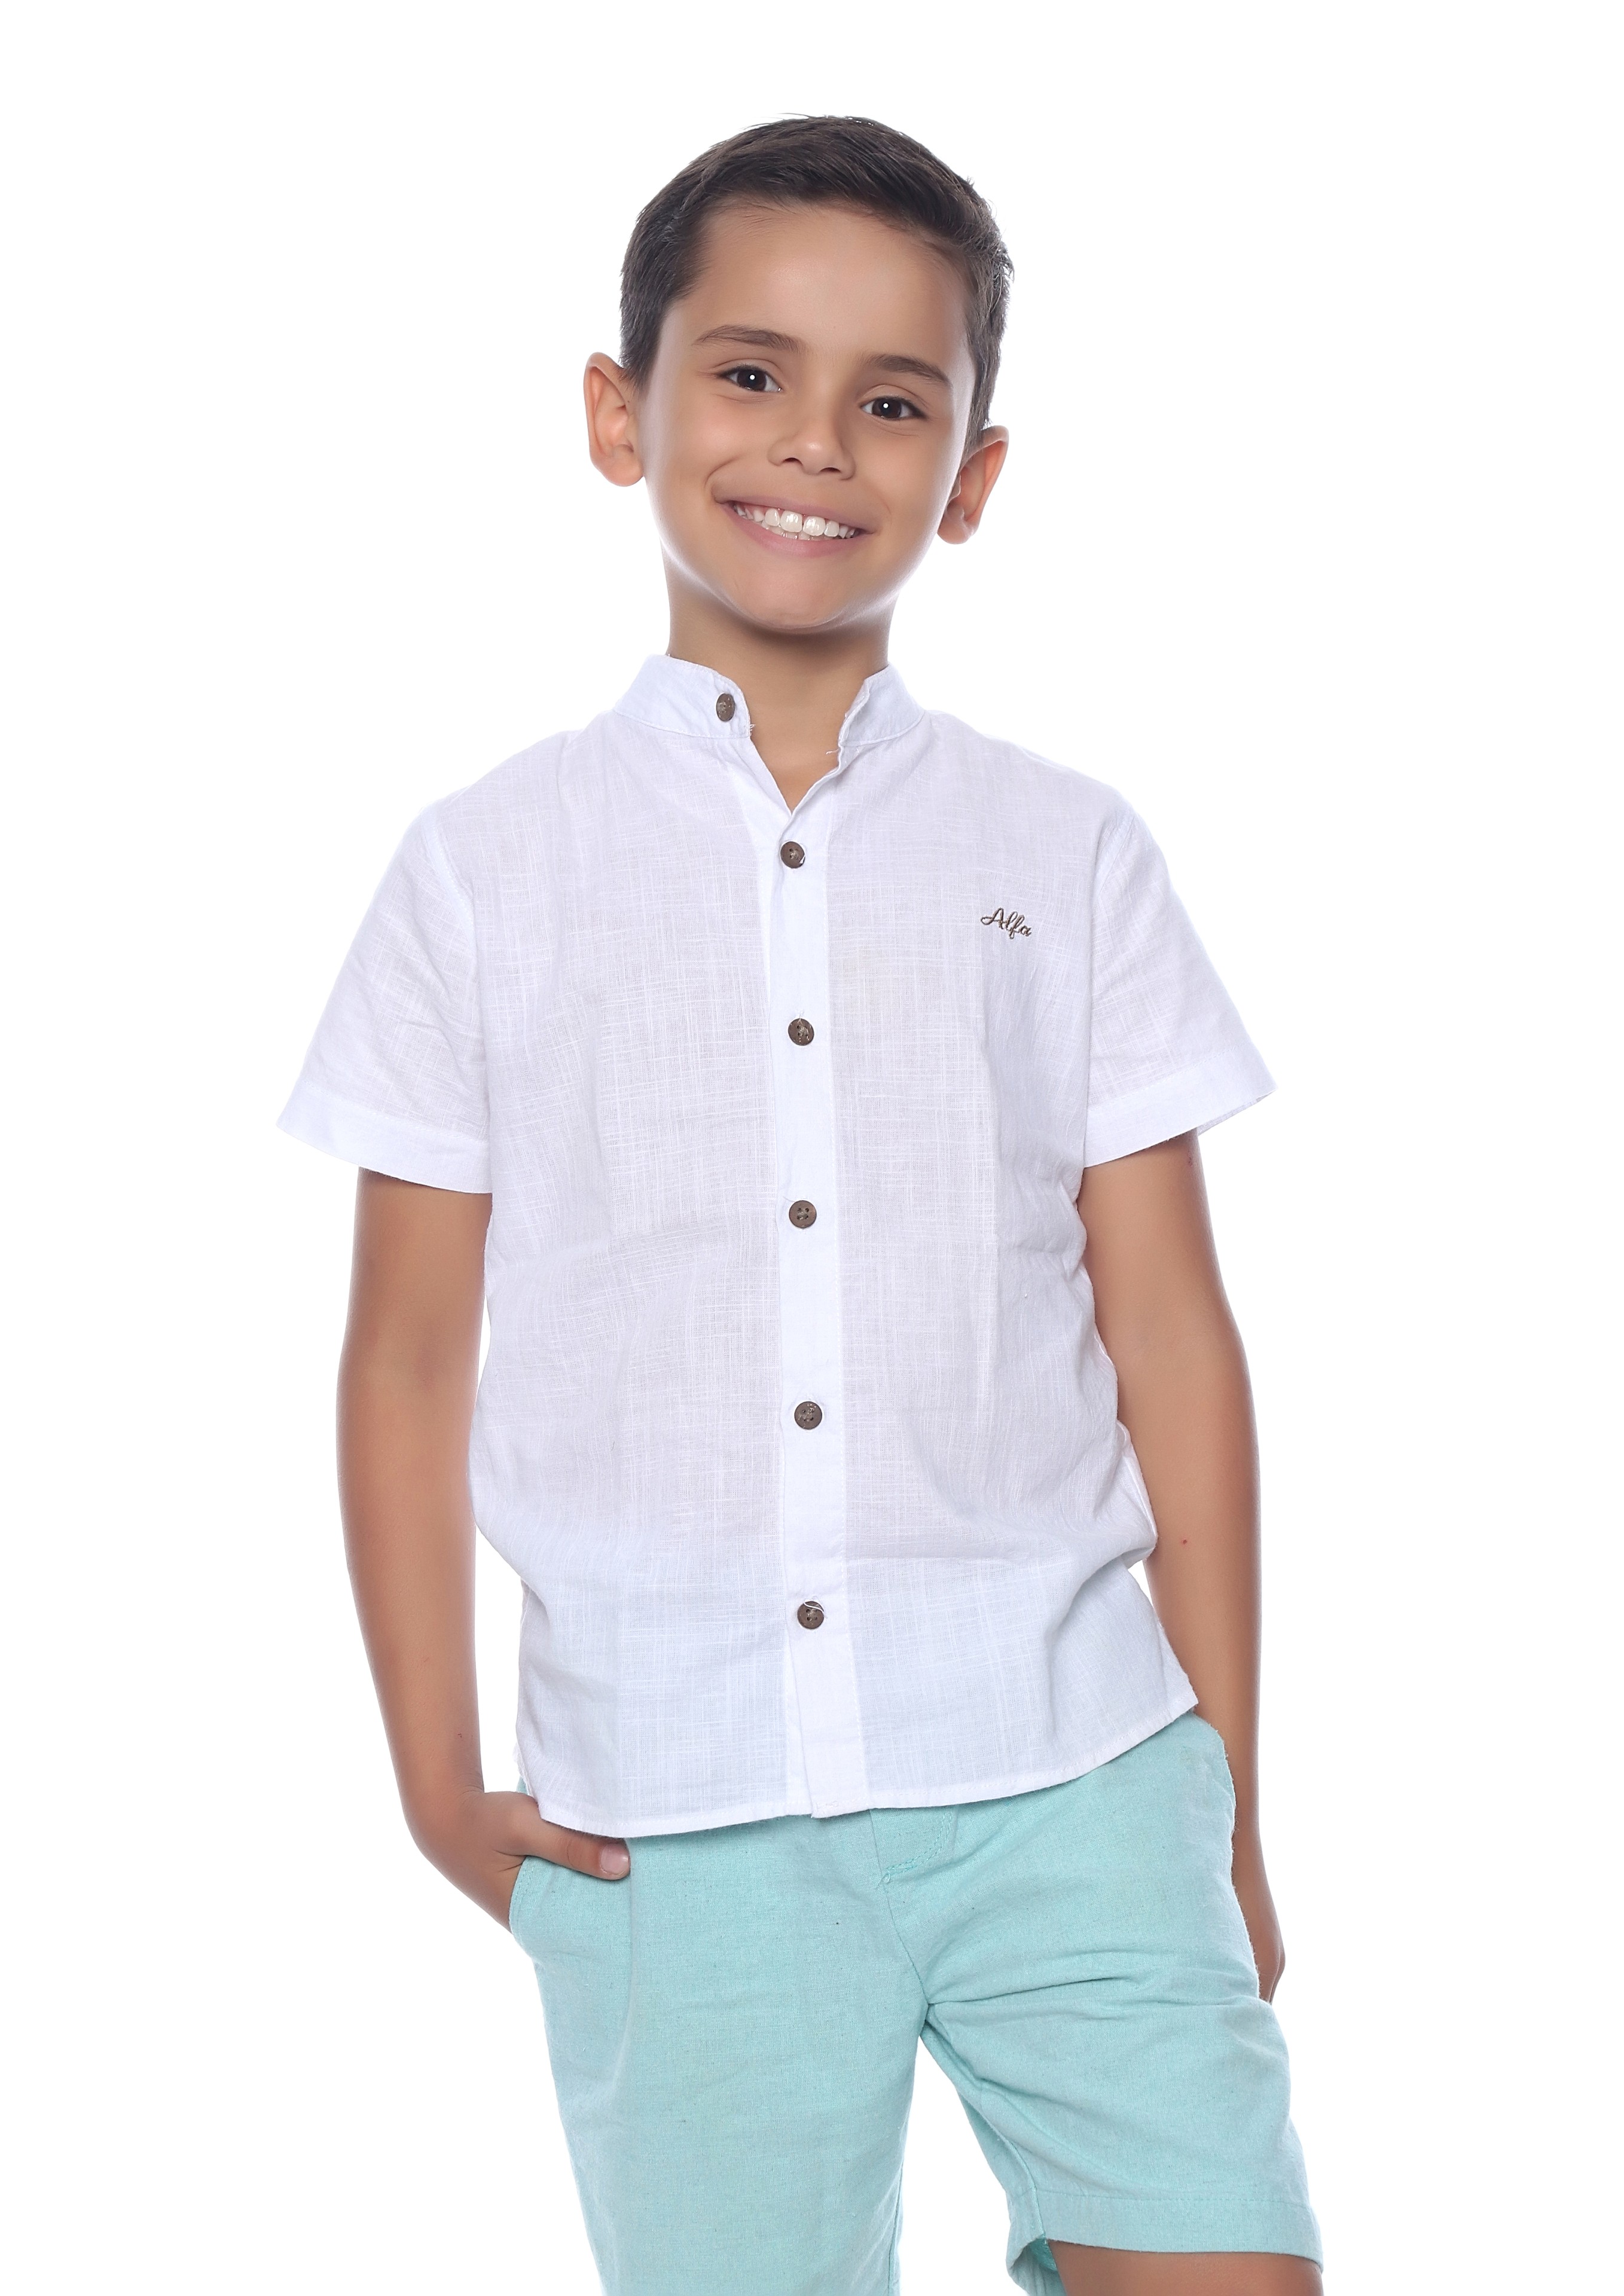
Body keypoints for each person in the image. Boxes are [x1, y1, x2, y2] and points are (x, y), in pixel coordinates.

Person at [280, 115, 1322, 2296]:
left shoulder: (1068, 849)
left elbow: (1168, 1333)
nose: (815, 443)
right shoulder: (483, 868)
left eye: (893, 400)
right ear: (619, 410)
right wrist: (434, 1783)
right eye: (749, 372)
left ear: (973, 476)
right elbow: (405, 1355)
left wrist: (1224, 1783)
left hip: (1079, 1765)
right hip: (676, 1807)